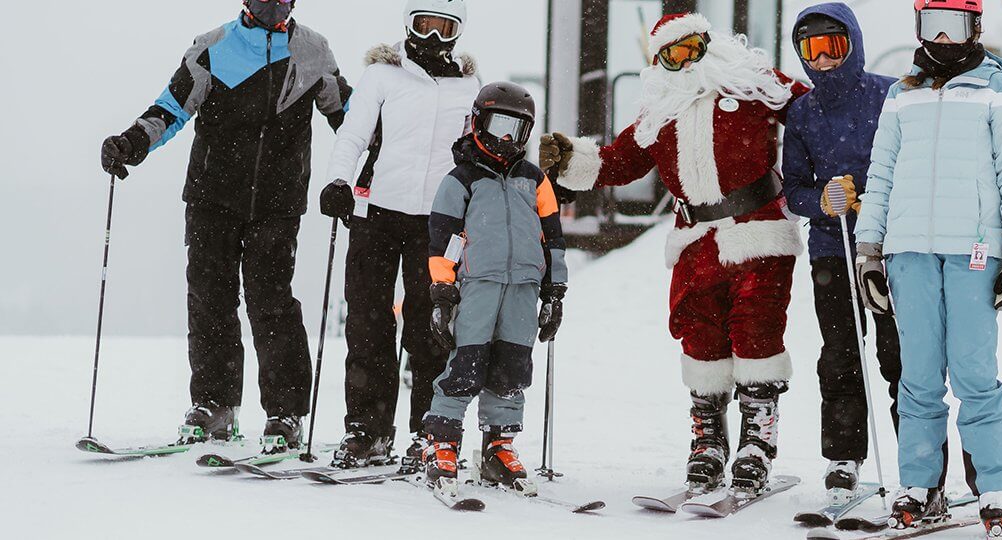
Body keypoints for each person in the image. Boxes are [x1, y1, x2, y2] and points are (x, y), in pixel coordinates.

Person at [537, 12, 808, 494]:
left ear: (711, 43)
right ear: (658, 61)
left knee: (756, 330)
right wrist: (569, 160)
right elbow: (618, 161)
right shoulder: (660, 111)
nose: (684, 63)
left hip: (758, 229)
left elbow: (814, 112)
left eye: (692, 49)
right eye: (671, 55)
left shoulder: (753, 81)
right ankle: (708, 442)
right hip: (695, 238)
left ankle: (755, 444)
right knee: (699, 336)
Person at [99, 0, 350, 451]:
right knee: (210, 298)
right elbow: (170, 108)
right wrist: (130, 143)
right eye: (261, 0)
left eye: (280, 0)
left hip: (278, 203)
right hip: (211, 198)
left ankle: (285, 412)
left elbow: (348, 119)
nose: (271, 7)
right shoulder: (213, 47)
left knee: (271, 301)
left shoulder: (314, 51)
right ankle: (215, 404)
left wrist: (379, 163)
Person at [851, 0, 1002, 535]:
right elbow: (880, 171)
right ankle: (921, 483)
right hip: (907, 248)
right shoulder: (901, 93)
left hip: (973, 247)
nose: (941, 36)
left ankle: (995, 486)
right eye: (930, 24)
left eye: (953, 25)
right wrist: (869, 249)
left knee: (974, 371)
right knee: (918, 375)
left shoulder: (995, 88)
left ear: (975, 28)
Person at [782, 2, 977, 499]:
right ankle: (843, 457)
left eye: (833, 46)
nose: (823, 60)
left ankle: (921, 464)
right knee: (841, 354)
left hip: (894, 250)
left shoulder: (890, 95)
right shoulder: (802, 112)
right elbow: (794, 188)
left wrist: (875, 198)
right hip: (834, 251)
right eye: (812, 50)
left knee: (903, 357)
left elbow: (914, 161)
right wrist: (822, 201)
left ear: (853, 44)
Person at [320, 0, 480, 471]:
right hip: (375, 213)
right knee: (368, 322)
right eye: (423, 26)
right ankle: (366, 431)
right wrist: (338, 181)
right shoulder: (382, 77)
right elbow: (351, 135)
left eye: (443, 29)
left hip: (436, 222)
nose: (431, 38)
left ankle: (426, 432)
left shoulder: (469, 87)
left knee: (428, 326)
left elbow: (477, 154)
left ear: (457, 33)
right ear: (408, 27)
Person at [418, 82, 569, 494]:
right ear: (479, 123)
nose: (506, 139)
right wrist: (443, 292)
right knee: (466, 364)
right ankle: (442, 441)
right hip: (478, 286)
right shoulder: (461, 178)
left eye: (516, 131)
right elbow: (442, 239)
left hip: (523, 287)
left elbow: (552, 239)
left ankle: (498, 447)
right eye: (498, 126)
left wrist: (555, 292)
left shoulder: (534, 180)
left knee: (512, 368)